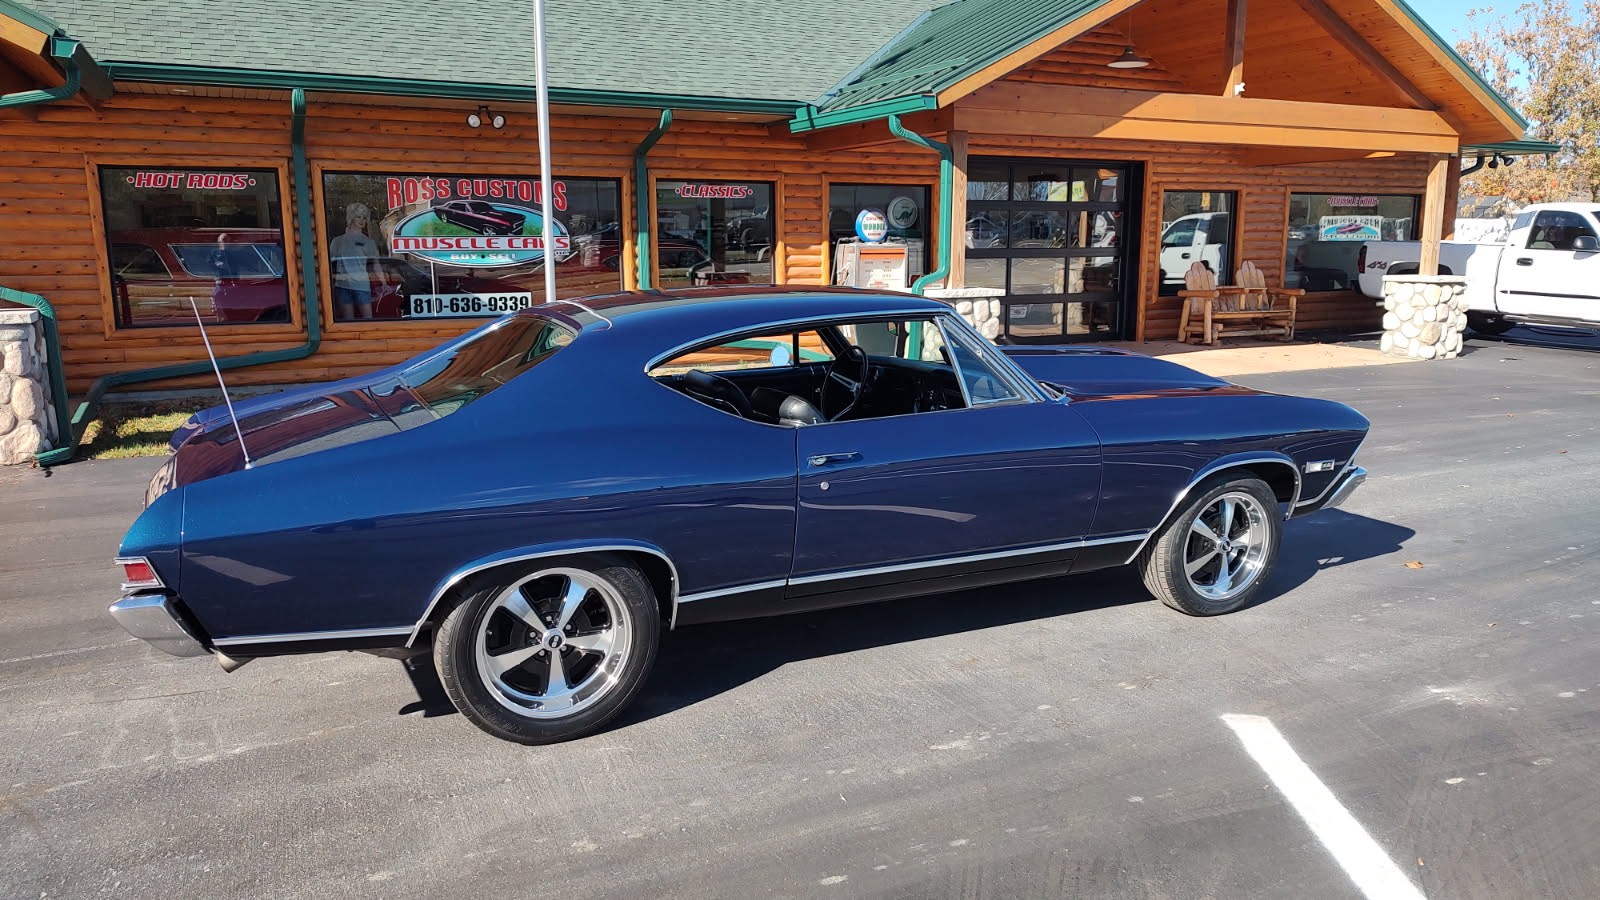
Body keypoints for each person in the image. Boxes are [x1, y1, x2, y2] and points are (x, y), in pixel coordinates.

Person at [330, 202, 378, 319]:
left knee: (368, 320)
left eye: (364, 217)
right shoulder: (337, 241)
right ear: (351, 218)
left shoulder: (369, 242)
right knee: (348, 321)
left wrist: (384, 282)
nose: (362, 220)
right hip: (343, 285)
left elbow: (376, 264)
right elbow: (330, 263)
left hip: (362, 285)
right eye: (358, 216)